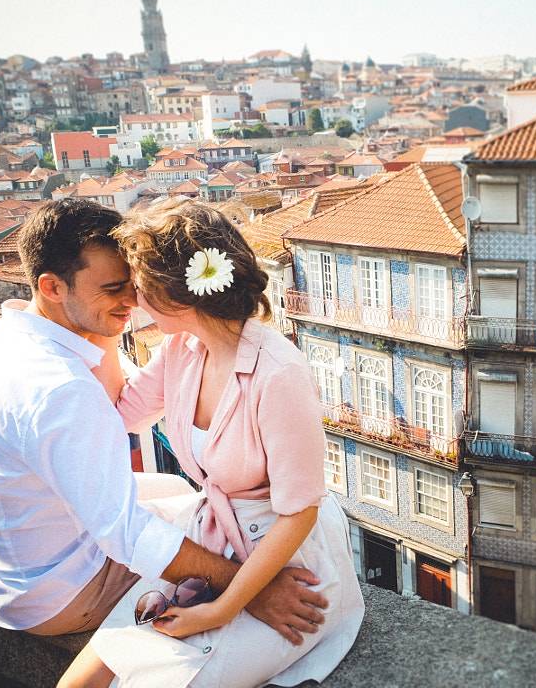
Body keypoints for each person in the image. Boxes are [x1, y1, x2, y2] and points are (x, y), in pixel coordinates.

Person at [0, 197, 328, 641]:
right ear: (53, 287)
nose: (133, 300)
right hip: (53, 592)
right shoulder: (62, 388)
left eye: (135, 283)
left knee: (176, 489)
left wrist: (102, 319)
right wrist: (248, 592)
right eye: (113, 289)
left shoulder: (0, 339)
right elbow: (126, 532)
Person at [59, 200, 364, 688]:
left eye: (139, 286)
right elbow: (123, 412)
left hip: (286, 563)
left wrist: (222, 609)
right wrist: (96, 329)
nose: (132, 300)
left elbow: (300, 509)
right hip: (210, 541)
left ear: (175, 295)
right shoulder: (180, 350)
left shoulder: (278, 373)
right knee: (82, 681)